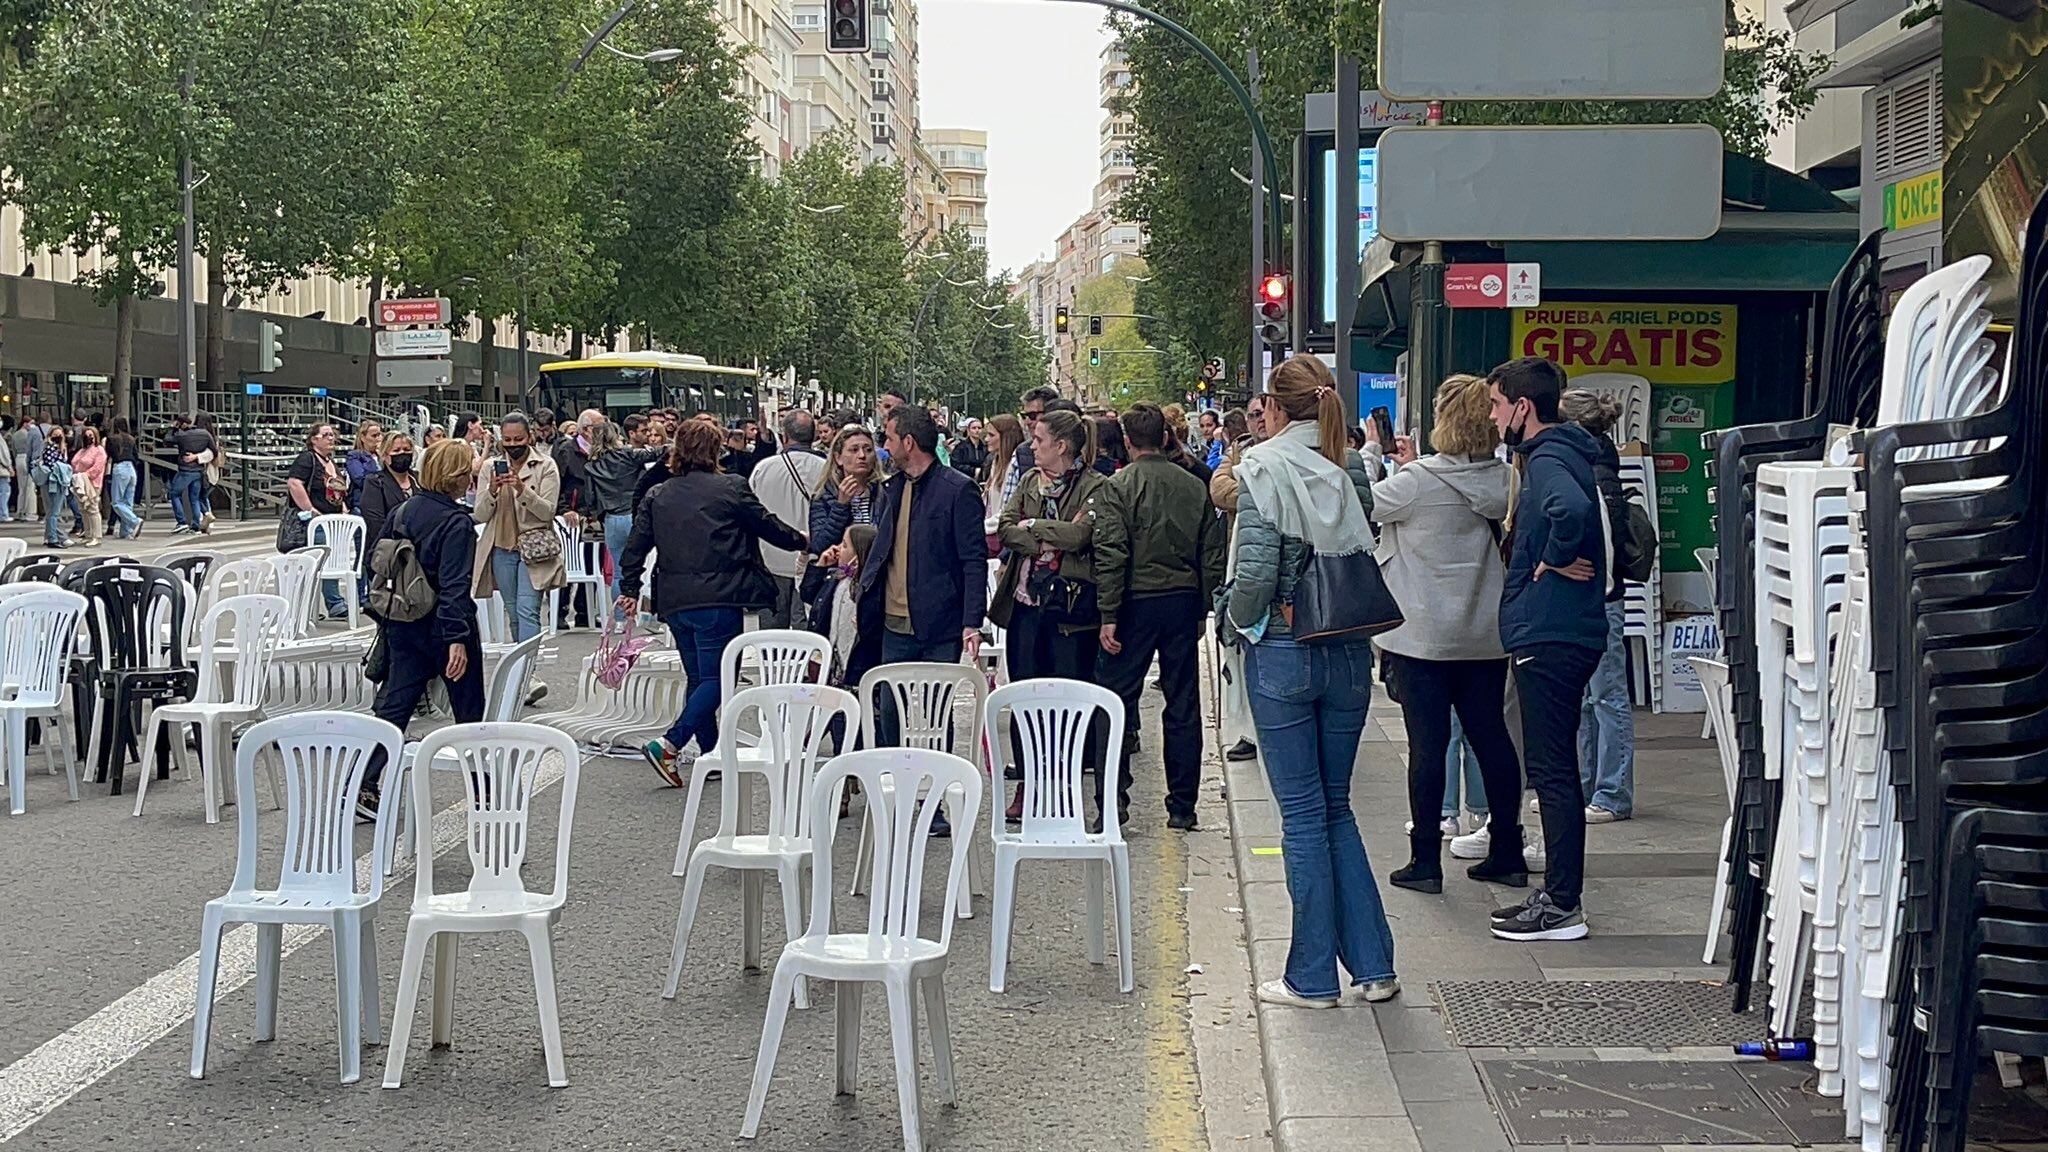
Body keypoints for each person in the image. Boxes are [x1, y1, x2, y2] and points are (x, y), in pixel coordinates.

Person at [1223, 353, 1397, 1008]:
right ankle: (1375, 966)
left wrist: (1236, 622)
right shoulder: (1346, 465)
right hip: (1349, 650)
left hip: (1287, 651)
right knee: (1336, 807)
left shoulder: (1264, 467)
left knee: (1301, 815)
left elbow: (1258, 575)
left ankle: (1313, 976)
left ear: (1272, 407)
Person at [1366, 373, 1527, 893]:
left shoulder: (1416, 482)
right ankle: (1507, 846)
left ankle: (1425, 861)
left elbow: (1364, 504)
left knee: (1428, 748)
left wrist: (1375, 454)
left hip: (1422, 638)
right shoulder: (1506, 481)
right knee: (1493, 740)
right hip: (1483, 634)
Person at [1486, 356, 1609, 943]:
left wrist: (1554, 557)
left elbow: (1572, 510)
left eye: (1495, 405)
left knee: (1552, 770)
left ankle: (1562, 903)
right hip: (1567, 629)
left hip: (1551, 631)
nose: (1492, 416)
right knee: (1557, 766)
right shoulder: (1566, 452)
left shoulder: (1550, 457)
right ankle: (1561, 898)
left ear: (1522, 407)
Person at [619, 419, 807, 786]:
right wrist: (802, 540)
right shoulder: (731, 488)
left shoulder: (658, 495)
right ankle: (671, 742)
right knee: (721, 679)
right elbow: (767, 526)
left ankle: (712, 752)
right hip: (721, 595)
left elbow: (635, 547)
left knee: (699, 678)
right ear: (716, 450)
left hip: (674, 598)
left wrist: (628, 588)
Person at [1094, 402, 1227, 831]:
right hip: (1182, 599)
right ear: (1166, 438)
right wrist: (1206, 605)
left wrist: (1108, 612)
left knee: (1116, 701)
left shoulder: (1118, 487)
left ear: (1128, 441)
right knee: (1183, 702)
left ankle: (1113, 802)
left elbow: (1112, 553)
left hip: (1135, 601)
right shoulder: (1193, 486)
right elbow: (1212, 553)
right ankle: (1183, 805)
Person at [852, 405, 987, 820]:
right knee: (889, 709)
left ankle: (938, 803)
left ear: (908, 442)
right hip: (893, 622)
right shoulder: (891, 488)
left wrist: (972, 621)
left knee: (938, 714)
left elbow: (973, 558)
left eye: (889, 440)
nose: (884, 448)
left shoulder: (957, 489)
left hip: (939, 622)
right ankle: (899, 793)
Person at [356, 438, 486, 821]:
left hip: (402, 619)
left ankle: (365, 781)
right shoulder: (457, 522)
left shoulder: (401, 511)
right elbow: (455, 587)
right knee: (468, 712)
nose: (471, 477)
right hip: (443, 626)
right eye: (468, 471)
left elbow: (379, 564)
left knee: (397, 703)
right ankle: (483, 793)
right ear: (457, 477)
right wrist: (457, 639)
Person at [990, 409, 1109, 819]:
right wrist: (1043, 536)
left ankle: (1063, 785)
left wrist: (1035, 524)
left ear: (1061, 446)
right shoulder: (1027, 481)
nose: (1032, 446)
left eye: (1038, 440)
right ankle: (1027, 783)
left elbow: (1081, 536)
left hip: (1070, 611)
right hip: (1025, 604)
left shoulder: (1095, 485)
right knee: (1025, 697)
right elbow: (1006, 527)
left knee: (1068, 698)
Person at [1560, 389, 1636, 824]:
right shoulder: (1602, 464)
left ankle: (1611, 792)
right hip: (1604, 595)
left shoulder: (1591, 472)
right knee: (1593, 698)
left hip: (1599, 596)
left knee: (1605, 697)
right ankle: (1592, 786)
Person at [471, 411, 564, 644]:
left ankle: (528, 671)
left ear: (529, 437)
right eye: (508, 440)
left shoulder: (546, 465)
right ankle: (521, 667)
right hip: (502, 548)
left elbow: (547, 512)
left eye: (518, 439)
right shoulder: (490, 468)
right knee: (513, 612)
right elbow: (480, 515)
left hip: (534, 548)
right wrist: (492, 490)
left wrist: (522, 489)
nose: (513, 445)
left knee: (527, 609)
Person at [1210, 396, 1268, 765]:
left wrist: (1242, 489)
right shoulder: (1240, 450)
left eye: (1264, 413)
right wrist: (1251, 491)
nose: (1259, 420)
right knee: (1241, 648)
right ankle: (1249, 729)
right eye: (1253, 415)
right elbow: (1218, 488)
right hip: (1240, 557)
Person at [748, 409, 826, 629]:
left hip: (771, 560)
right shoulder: (827, 469)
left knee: (772, 634)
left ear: (784, 437)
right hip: (812, 558)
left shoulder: (763, 468)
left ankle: (773, 663)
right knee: (807, 631)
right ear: (814, 436)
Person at [581, 422, 665, 614]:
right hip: (635, 515)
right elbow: (656, 453)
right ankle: (649, 611)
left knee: (619, 572)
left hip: (611, 518)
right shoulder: (628, 454)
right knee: (649, 564)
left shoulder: (591, 465)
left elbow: (590, 497)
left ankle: (620, 617)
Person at [285, 423, 352, 616]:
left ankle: (323, 604)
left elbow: (337, 490)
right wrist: (311, 510)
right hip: (315, 522)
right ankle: (331, 603)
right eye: (326, 435)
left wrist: (344, 508)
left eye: (332, 435)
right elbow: (294, 483)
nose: (331, 438)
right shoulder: (307, 459)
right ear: (314, 439)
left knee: (331, 560)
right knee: (320, 560)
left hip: (334, 520)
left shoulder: (330, 461)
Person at [357, 432, 418, 582]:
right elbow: (375, 522)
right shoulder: (375, 482)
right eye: (396, 451)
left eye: (406, 449)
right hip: (388, 556)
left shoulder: (419, 479)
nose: (402, 454)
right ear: (384, 455)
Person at [167, 414, 214, 535]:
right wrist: (198, 457)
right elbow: (213, 449)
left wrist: (173, 428)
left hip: (186, 470)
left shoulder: (182, 435)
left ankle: (181, 522)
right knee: (195, 498)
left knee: (174, 493)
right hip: (199, 470)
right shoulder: (205, 434)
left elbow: (167, 440)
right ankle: (196, 524)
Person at [104, 416, 143, 539]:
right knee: (128, 501)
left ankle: (134, 521)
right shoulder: (131, 439)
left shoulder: (112, 439)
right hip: (131, 468)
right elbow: (136, 455)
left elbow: (109, 455)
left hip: (119, 467)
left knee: (116, 502)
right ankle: (125, 531)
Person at [980, 414, 1025, 519]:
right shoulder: (995, 462)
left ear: (1006, 437)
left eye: (991, 435)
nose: (986, 439)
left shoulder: (1015, 464)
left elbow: (1008, 510)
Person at [70, 427, 107, 547]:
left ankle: (96, 536)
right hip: (79, 482)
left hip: (93, 483)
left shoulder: (99, 450)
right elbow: (74, 462)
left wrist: (85, 475)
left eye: (91, 435)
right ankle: (88, 534)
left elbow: (98, 468)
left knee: (92, 508)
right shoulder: (82, 450)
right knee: (83, 509)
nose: (89, 438)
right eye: (86, 435)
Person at [37, 427, 71, 547]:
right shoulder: (50, 448)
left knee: (51, 512)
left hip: (54, 481)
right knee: (54, 512)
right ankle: (53, 538)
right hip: (55, 482)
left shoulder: (59, 448)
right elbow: (55, 465)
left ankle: (49, 536)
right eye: (55, 435)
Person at [345, 422, 384, 512]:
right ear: (363, 438)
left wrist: (383, 456)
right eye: (374, 436)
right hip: (363, 502)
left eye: (379, 435)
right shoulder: (354, 456)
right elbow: (360, 479)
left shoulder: (384, 456)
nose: (378, 439)